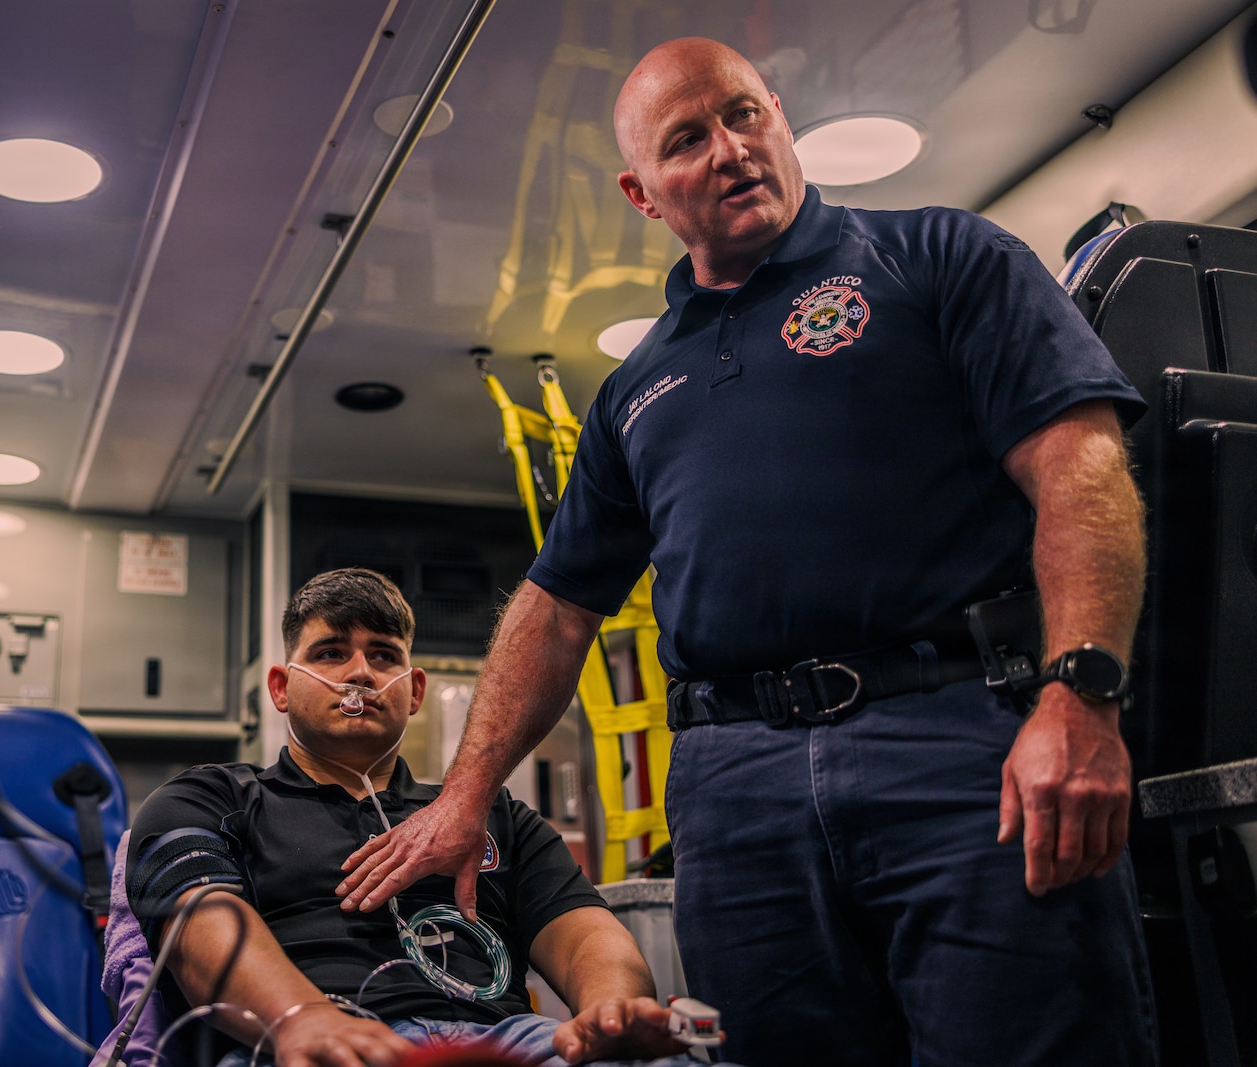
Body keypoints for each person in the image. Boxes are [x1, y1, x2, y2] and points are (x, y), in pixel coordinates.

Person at [334, 36, 1158, 1067]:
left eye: (742, 114)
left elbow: (1080, 471)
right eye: (686, 139)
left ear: (776, 113)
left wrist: (1080, 693)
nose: (728, 149)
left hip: (954, 743)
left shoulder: (940, 256)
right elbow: (555, 606)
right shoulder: (636, 390)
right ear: (643, 193)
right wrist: (459, 800)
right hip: (735, 794)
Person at [117, 567, 711, 1067]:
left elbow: (588, 936)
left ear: (415, 689)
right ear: (281, 686)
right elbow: (196, 924)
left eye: (383, 655)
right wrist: (301, 1018)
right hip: (309, 1043)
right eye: (330, 653)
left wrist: (609, 1011)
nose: (359, 674)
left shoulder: (496, 816)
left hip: (502, 1044)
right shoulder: (210, 798)